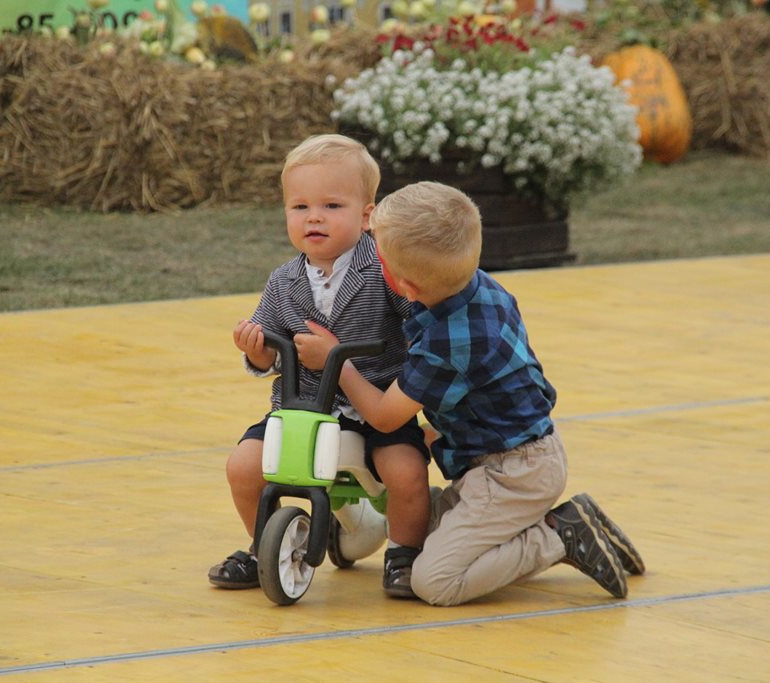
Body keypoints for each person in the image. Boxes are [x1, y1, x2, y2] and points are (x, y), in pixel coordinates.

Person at [294, 181, 645, 606]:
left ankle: (559, 535)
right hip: (507, 456)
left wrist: (337, 362)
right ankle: (544, 527)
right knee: (411, 527)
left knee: (434, 581)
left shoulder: (448, 342)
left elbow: (385, 417)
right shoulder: (476, 286)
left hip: (513, 474)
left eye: (377, 254)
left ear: (405, 286)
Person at [208, 134, 431, 598]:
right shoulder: (284, 281)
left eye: (332, 206)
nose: (314, 217)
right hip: (302, 406)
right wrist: (256, 350)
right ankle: (263, 546)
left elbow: (420, 324)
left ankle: (404, 554)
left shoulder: (385, 270)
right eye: (300, 207)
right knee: (244, 466)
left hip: (375, 406)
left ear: (367, 217)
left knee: (406, 471)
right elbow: (270, 351)